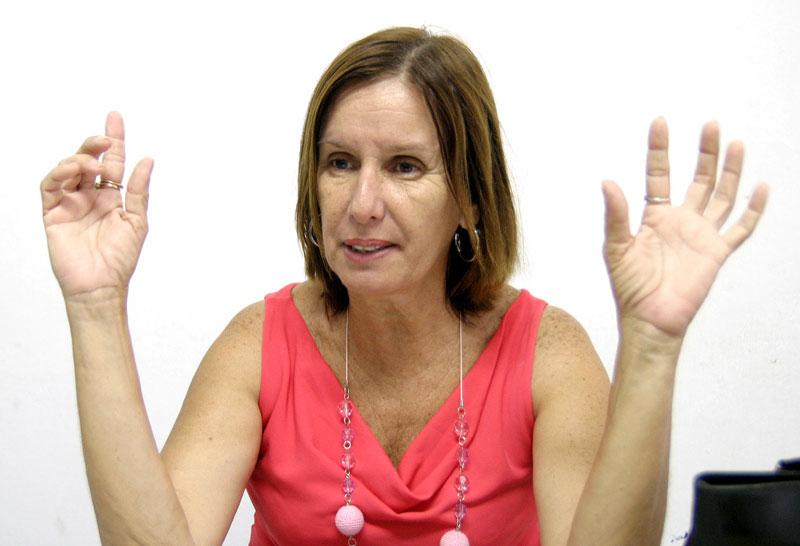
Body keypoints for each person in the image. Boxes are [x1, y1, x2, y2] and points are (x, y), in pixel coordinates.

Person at [40, 27, 768, 546]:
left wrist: (651, 344)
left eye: (405, 167)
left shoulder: (547, 353)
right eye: (340, 163)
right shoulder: (259, 345)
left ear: (470, 197)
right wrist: (95, 306)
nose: (362, 204)